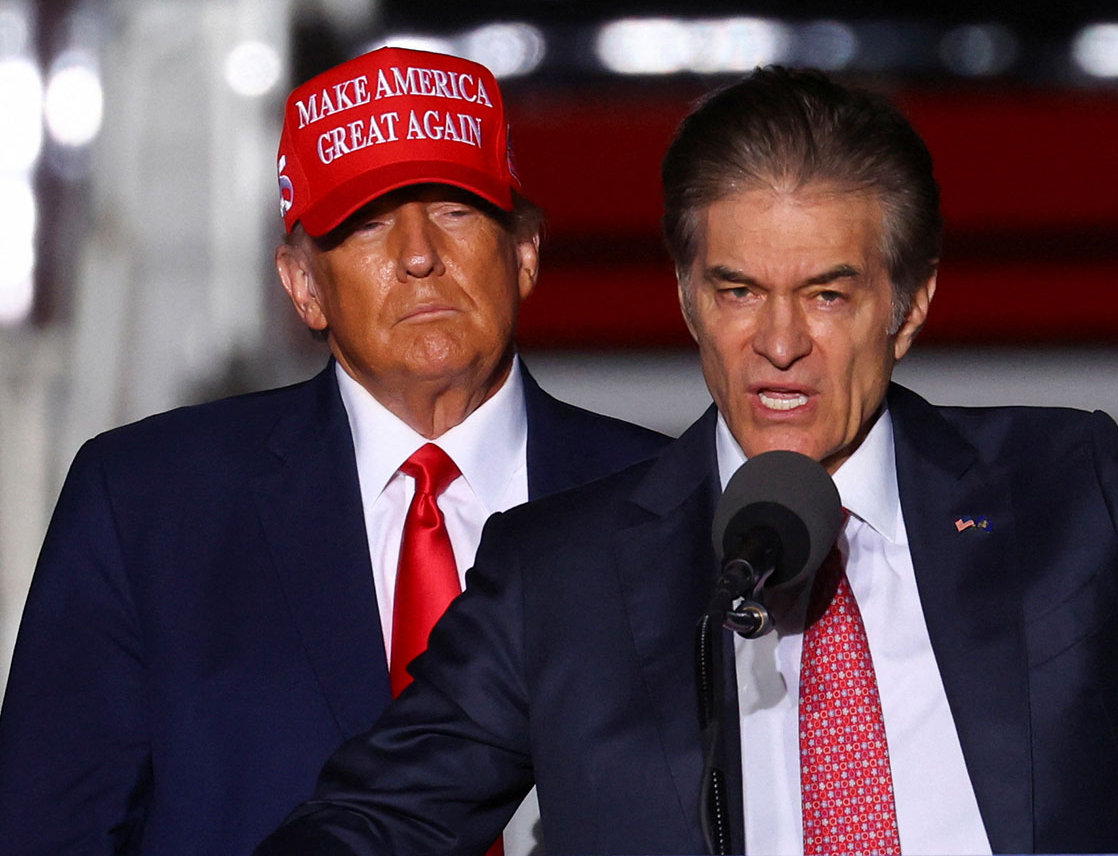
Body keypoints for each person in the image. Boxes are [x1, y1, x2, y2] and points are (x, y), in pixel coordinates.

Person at [256, 66, 1118, 855]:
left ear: (911, 302)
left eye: (827, 293)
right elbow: (368, 823)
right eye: (736, 290)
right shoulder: (561, 573)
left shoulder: (1055, 493)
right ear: (685, 295)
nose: (776, 343)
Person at [0, 47, 667, 855]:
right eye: (370, 221)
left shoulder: (669, 502)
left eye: (455, 209)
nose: (419, 254)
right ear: (302, 285)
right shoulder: (148, 508)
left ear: (526, 251)